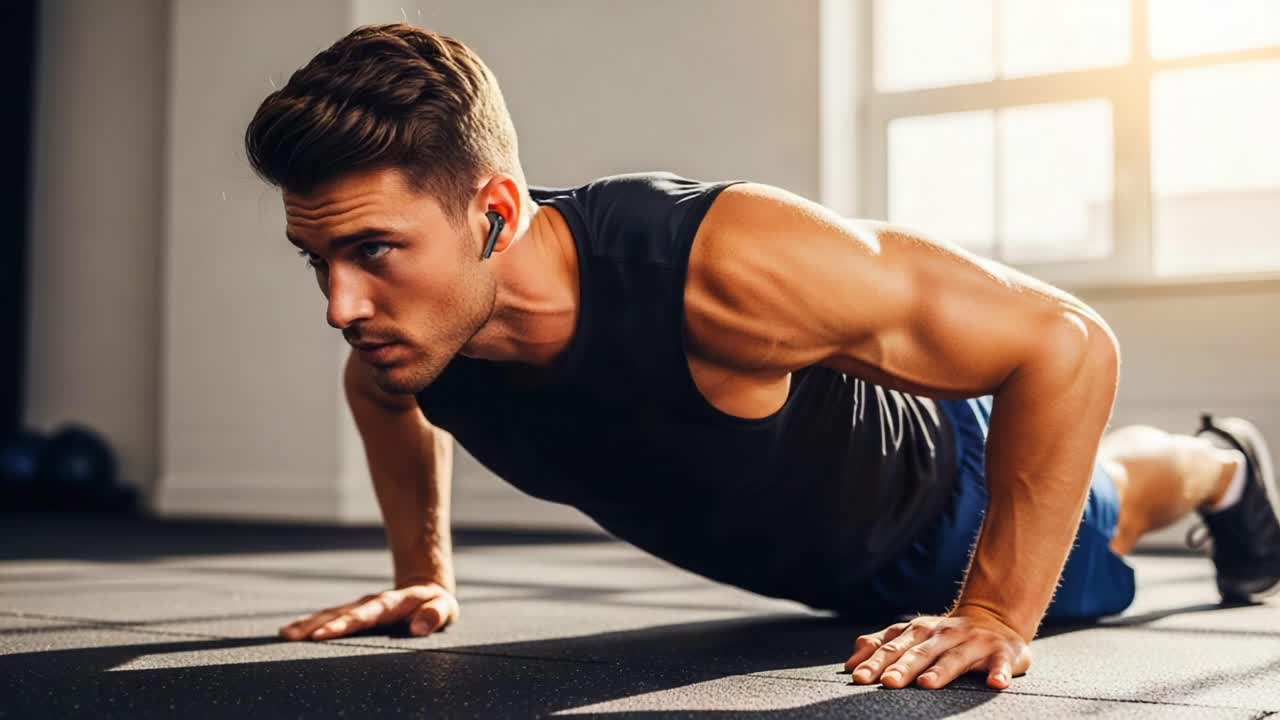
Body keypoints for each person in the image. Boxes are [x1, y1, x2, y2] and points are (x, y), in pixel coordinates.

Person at [243, 24, 1280, 691]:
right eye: (316, 260)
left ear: (495, 213)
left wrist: (994, 611)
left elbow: (1063, 341)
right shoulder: (414, 340)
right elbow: (384, 397)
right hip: (820, 565)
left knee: (1116, 501)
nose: (341, 305)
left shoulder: (715, 262)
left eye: (373, 251)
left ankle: (1221, 461)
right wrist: (424, 574)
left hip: (941, 509)